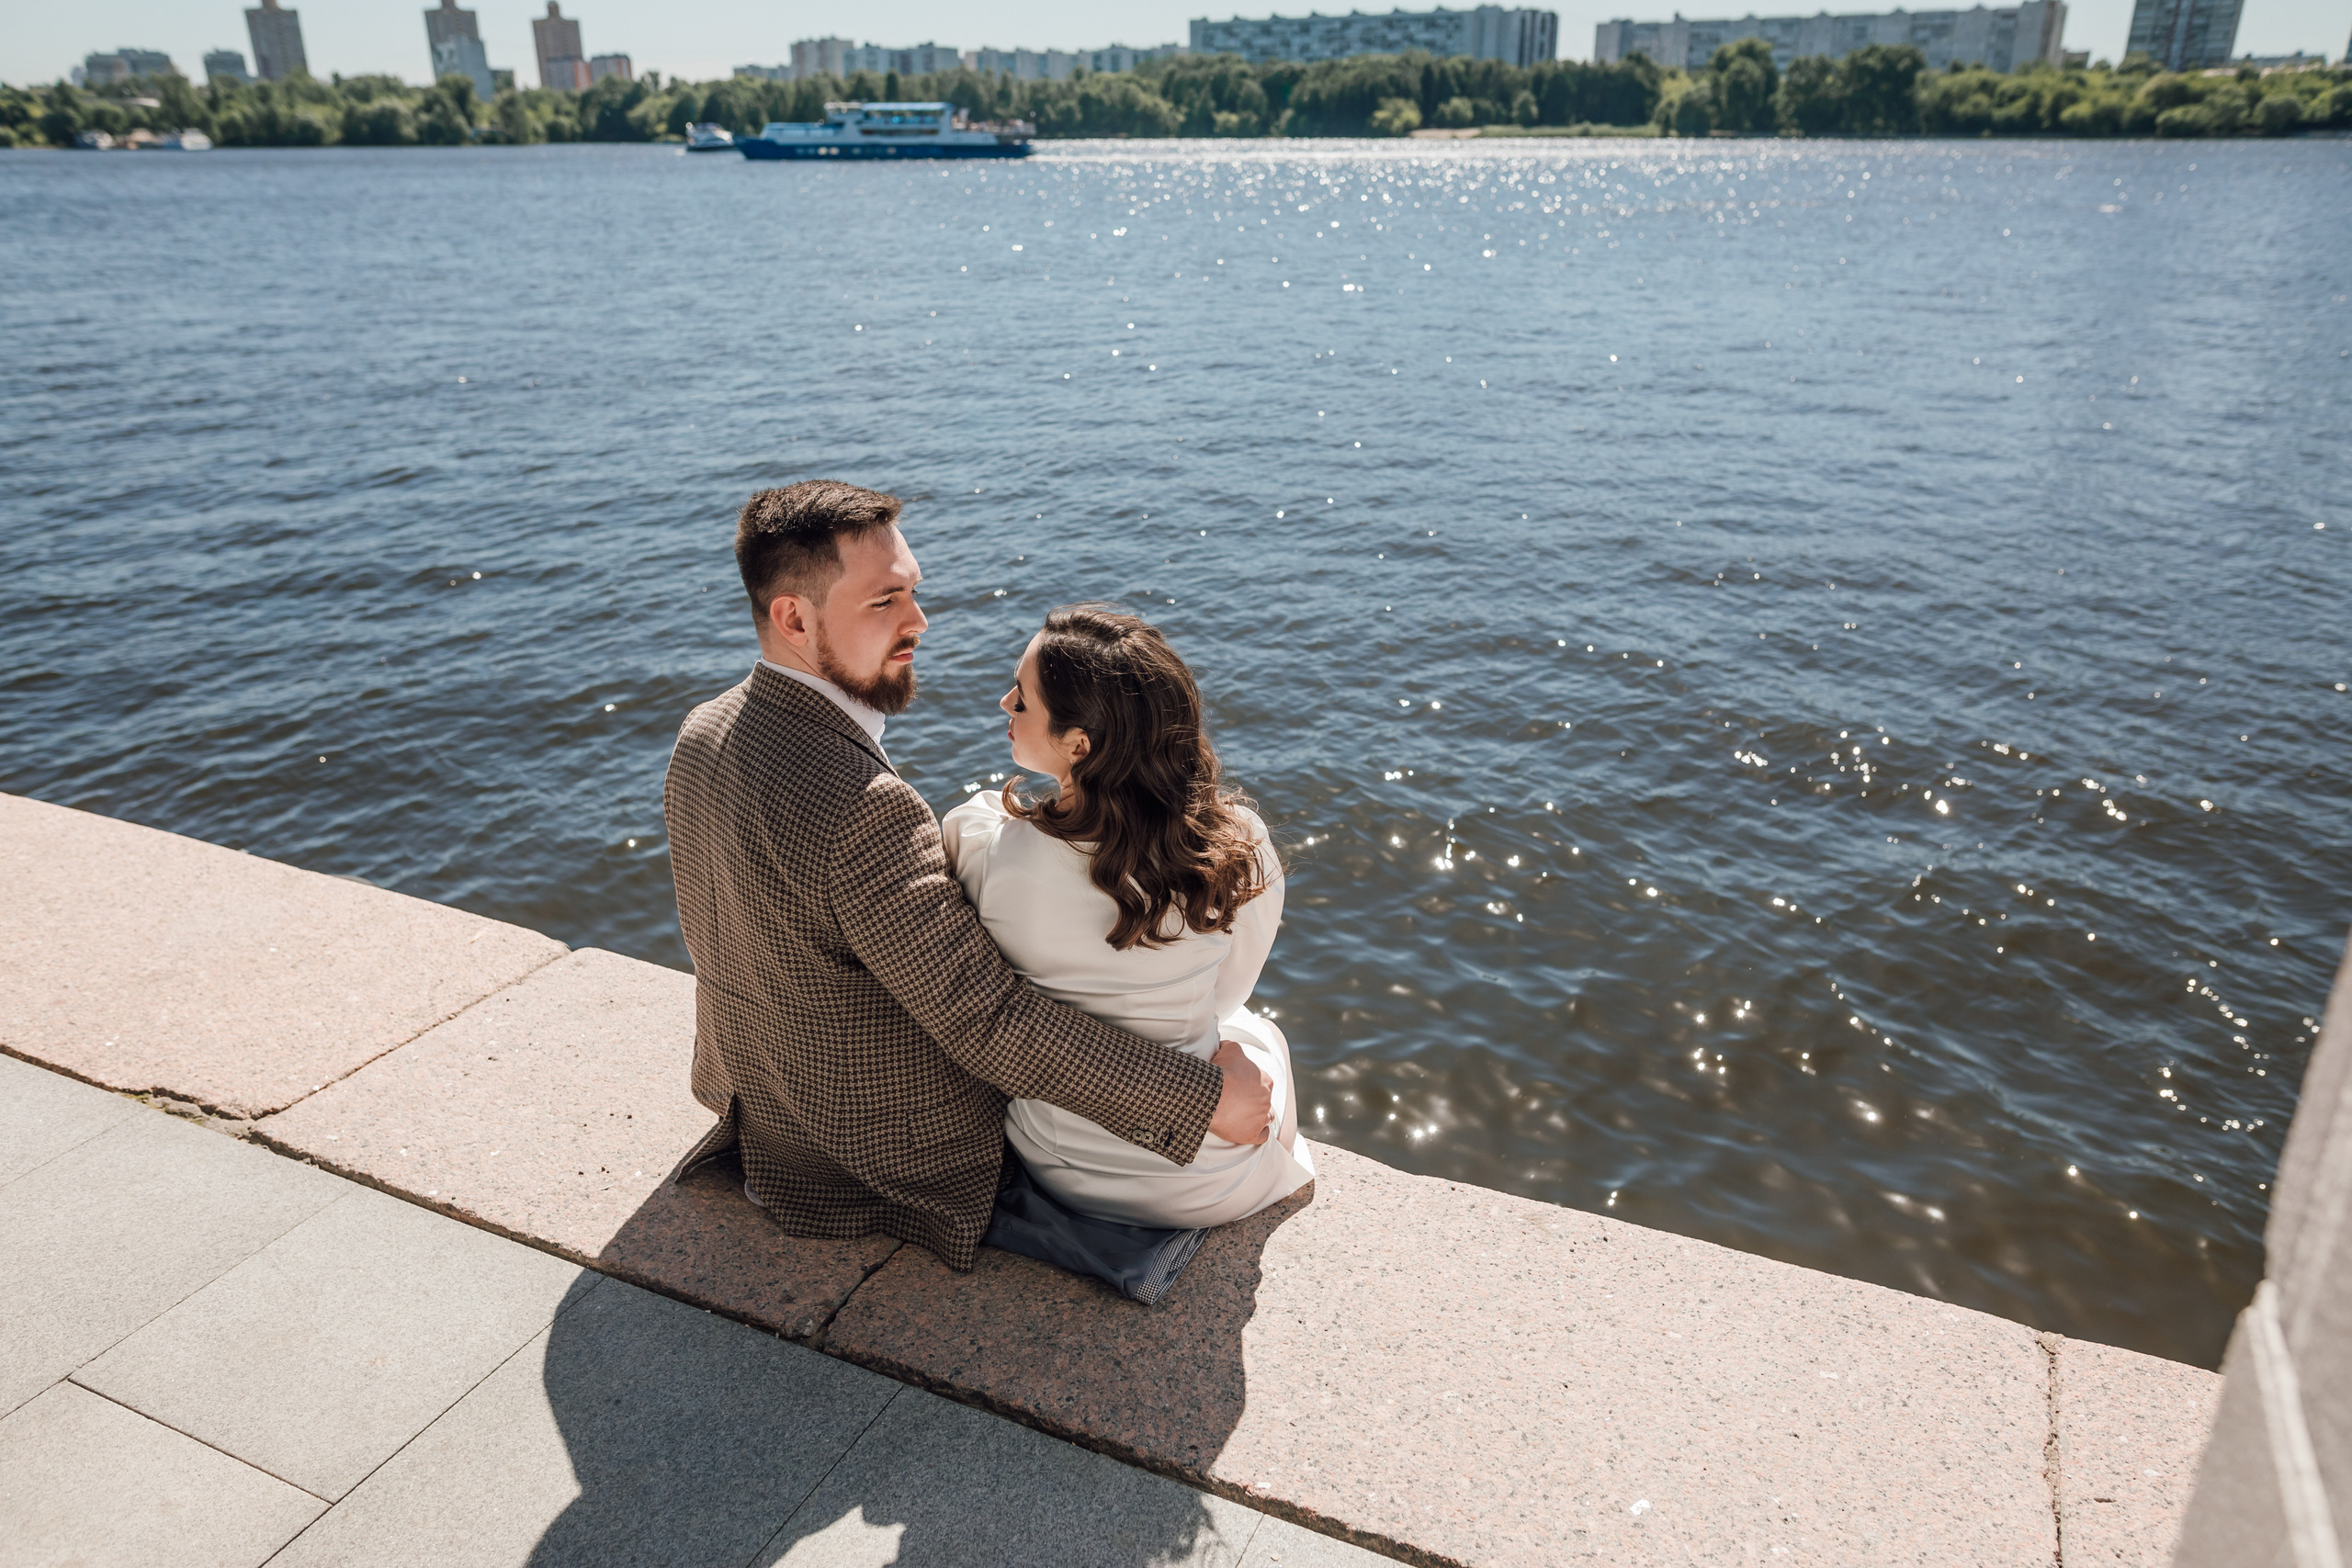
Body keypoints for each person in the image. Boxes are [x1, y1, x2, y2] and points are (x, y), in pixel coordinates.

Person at [663, 481, 1272, 1270]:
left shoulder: (702, 731)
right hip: (876, 1153)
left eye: (913, 590)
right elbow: (988, 1021)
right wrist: (1202, 1100)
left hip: (770, 1101)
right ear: (795, 619)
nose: (919, 619)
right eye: (885, 600)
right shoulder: (866, 807)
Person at [941, 605, 1315, 1229]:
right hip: (1204, 1185)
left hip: (1055, 1166)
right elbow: (1227, 995)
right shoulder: (1236, 846)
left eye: (1022, 698)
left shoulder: (987, 849)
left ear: (1078, 745)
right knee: (1259, 1034)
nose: (1005, 702)